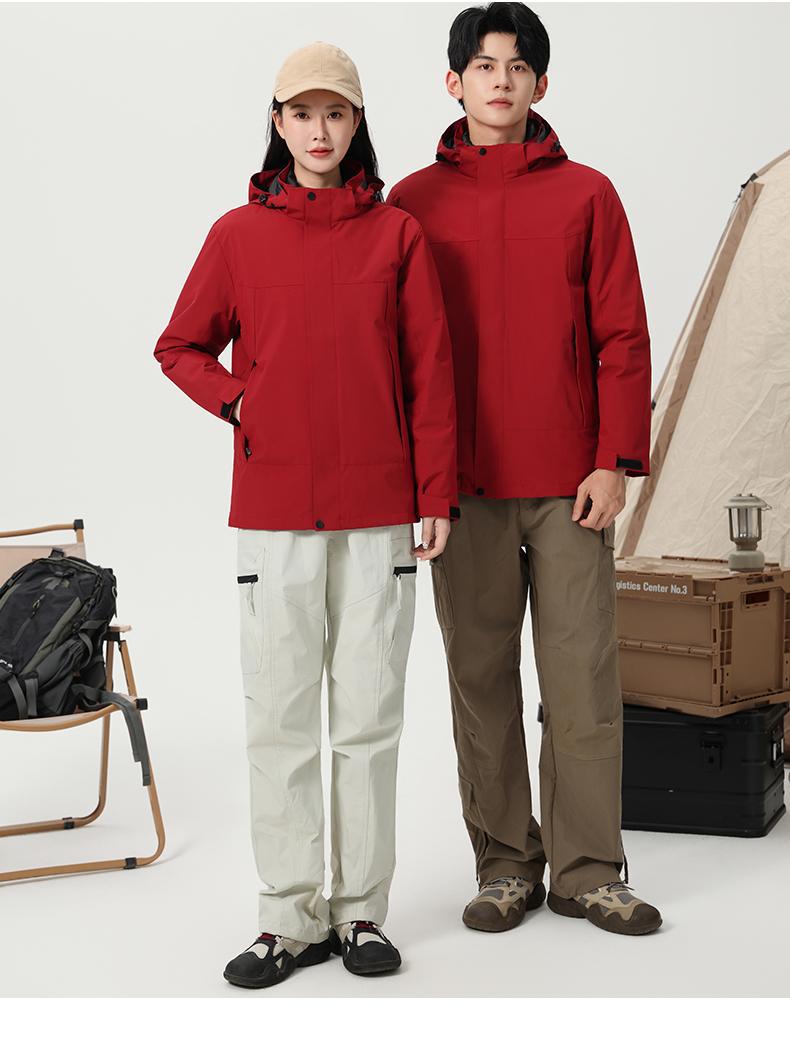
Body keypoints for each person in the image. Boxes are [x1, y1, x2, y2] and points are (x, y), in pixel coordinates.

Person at [153, 41, 459, 988]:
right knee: (280, 721)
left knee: (368, 721)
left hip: (379, 515)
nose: (319, 131)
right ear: (278, 123)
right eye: (302, 113)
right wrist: (239, 398)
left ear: (357, 124)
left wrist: (435, 493)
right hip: (275, 513)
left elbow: (431, 372)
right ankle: (288, 919)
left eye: (336, 113)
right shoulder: (237, 236)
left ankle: (360, 913)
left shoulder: (396, 236)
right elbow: (179, 345)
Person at [387, 2, 662, 936]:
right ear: (453, 81)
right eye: (484, 64)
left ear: (542, 84)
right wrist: (419, 480)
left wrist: (614, 460)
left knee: (582, 681)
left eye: (517, 66)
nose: (500, 80)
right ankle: (505, 863)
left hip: (571, 484)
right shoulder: (411, 204)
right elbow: (398, 350)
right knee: (480, 681)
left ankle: (589, 870)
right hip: (462, 489)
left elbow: (622, 335)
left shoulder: (588, 194)